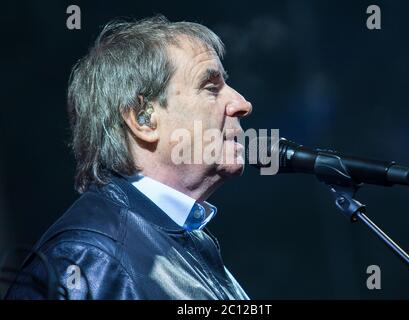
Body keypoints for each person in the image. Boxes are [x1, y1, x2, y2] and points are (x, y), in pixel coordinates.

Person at [5, 15, 252, 300]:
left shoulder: (182, 235)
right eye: (211, 87)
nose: (242, 104)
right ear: (143, 120)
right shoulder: (87, 257)